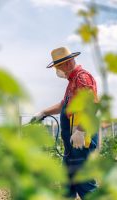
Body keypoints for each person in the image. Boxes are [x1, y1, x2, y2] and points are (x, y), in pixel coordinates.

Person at [32, 47, 98, 199]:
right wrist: (43, 112)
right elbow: (64, 105)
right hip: (71, 145)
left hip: (81, 141)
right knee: (67, 184)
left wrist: (81, 130)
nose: (57, 71)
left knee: (85, 184)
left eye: (57, 67)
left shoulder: (82, 78)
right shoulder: (72, 82)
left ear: (67, 63)